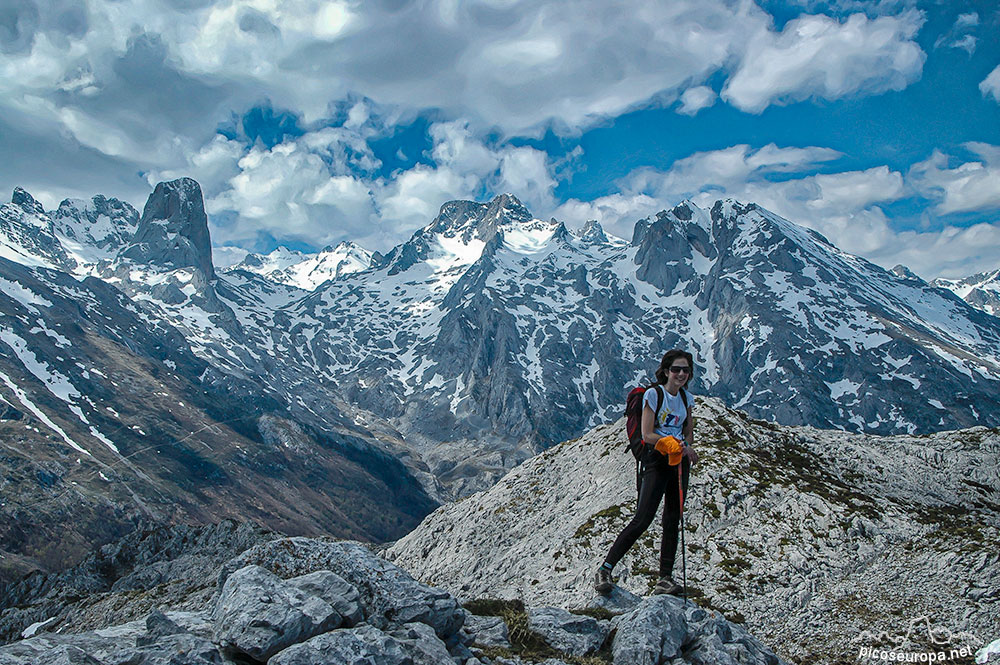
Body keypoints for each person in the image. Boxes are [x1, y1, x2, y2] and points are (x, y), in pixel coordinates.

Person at [595, 349, 698, 596]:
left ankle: (665, 578)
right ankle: (605, 569)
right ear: (665, 371)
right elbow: (647, 433)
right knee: (643, 518)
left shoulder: (687, 399)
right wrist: (669, 443)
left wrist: (686, 447)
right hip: (656, 461)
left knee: (672, 519)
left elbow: (688, 432)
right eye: (676, 369)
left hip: (678, 462)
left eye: (685, 370)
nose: (681, 374)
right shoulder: (654, 394)